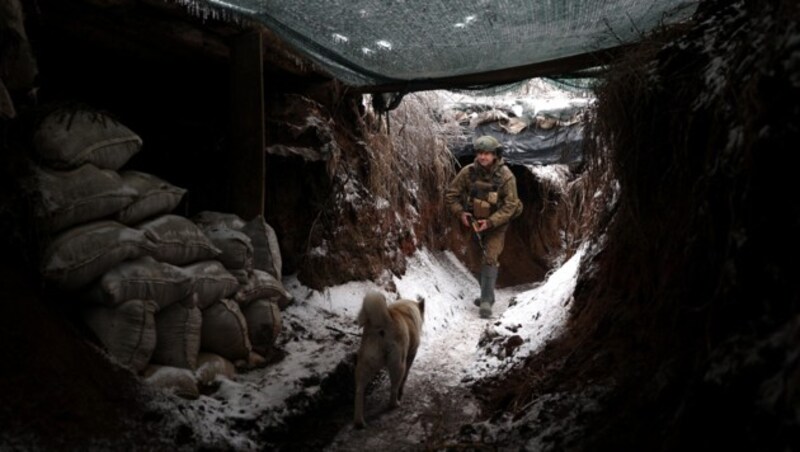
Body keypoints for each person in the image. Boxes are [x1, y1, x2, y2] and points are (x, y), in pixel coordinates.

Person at [445, 135, 523, 319]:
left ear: (495, 155)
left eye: (487, 153)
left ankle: (486, 301)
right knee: (475, 259)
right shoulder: (468, 172)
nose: (483, 157)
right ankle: (487, 293)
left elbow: (511, 205)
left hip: (496, 224)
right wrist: (461, 213)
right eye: (480, 153)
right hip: (474, 223)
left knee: (490, 257)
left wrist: (490, 222)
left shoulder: (506, 176)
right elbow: (451, 195)